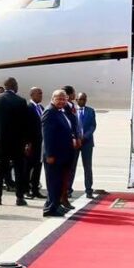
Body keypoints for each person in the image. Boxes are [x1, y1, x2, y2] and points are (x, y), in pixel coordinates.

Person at [0, 78, 30, 206]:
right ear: (14, 86)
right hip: (17, 141)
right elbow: (25, 124)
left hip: (0, 141)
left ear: (5, 87)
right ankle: (19, 197)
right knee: (19, 169)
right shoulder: (21, 101)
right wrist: (26, 141)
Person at [41, 89, 78, 217]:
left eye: (64, 99)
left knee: (58, 182)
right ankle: (51, 209)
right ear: (53, 99)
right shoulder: (50, 112)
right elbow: (47, 136)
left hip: (62, 155)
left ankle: (54, 205)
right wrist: (49, 154)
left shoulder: (60, 111)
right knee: (53, 183)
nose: (62, 101)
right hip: (54, 155)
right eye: (59, 99)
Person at [61, 84, 82, 208]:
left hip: (75, 143)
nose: (75, 95)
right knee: (66, 170)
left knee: (71, 168)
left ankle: (67, 190)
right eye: (73, 93)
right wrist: (74, 137)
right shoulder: (64, 108)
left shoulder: (72, 106)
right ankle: (64, 193)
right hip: (68, 143)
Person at [74, 92, 97, 198]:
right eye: (80, 99)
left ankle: (88, 190)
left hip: (87, 143)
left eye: (84, 99)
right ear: (76, 100)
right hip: (75, 143)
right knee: (72, 166)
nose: (83, 101)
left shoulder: (90, 111)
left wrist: (84, 137)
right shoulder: (72, 111)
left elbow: (93, 126)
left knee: (87, 167)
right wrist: (76, 138)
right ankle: (68, 189)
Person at [25, 86, 44, 198]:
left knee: (38, 166)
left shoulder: (41, 107)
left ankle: (35, 189)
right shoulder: (28, 107)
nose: (41, 95)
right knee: (28, 167)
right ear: (32, 95)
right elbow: (26, 127)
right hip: (31, 143)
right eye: (39, 93)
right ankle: (26, 190)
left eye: (41, 93)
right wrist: (27, 143)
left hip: (40, 143)